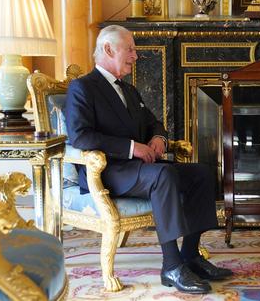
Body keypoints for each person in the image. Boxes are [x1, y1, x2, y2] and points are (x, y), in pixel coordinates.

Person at [64, 25, 232, 294]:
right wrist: (132, 148)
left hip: (139, 169)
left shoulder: (129, 90)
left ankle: (191, 256)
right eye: (130, 49)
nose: (136, 56)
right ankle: (172, 265)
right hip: (109, 170)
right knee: (164, 176)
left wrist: (159, 140)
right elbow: (81, 137)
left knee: (201, 172)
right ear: (108, 49)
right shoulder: (82, 88)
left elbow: (154, 123)